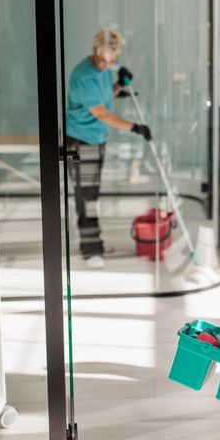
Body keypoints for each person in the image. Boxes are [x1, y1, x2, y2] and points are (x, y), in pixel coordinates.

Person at [66, 29, 151, 268]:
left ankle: (95, 243)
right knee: (86, 196)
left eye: (112, 61)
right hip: (82, 141)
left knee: (92, 193)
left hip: (96, 139)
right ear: (94, 52)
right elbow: (101, 112)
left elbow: (104, 97)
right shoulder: (84, 75)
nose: (107, 65)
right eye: (103, 60)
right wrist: (134, 127)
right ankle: (90, 249)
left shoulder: (102, 71)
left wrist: (119, 84)